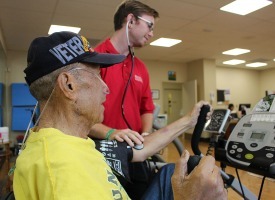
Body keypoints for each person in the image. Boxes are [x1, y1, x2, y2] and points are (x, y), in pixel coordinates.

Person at [12, 31, 227, 200]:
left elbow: (140, 151)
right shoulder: (62, 170)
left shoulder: (73, 140)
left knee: (170, 172)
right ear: (69, 85)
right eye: (97, 76)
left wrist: (189, 120)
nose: (106, 87)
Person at [90, 0, 159, 146]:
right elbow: (79, 115)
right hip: (100, 147)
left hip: (134, 148)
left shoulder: (140, 67)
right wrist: (111, 133)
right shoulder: (94, 59)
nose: (152, 34)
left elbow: (146, 109)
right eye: (150, 26)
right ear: (131, 20)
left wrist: (146, 134)